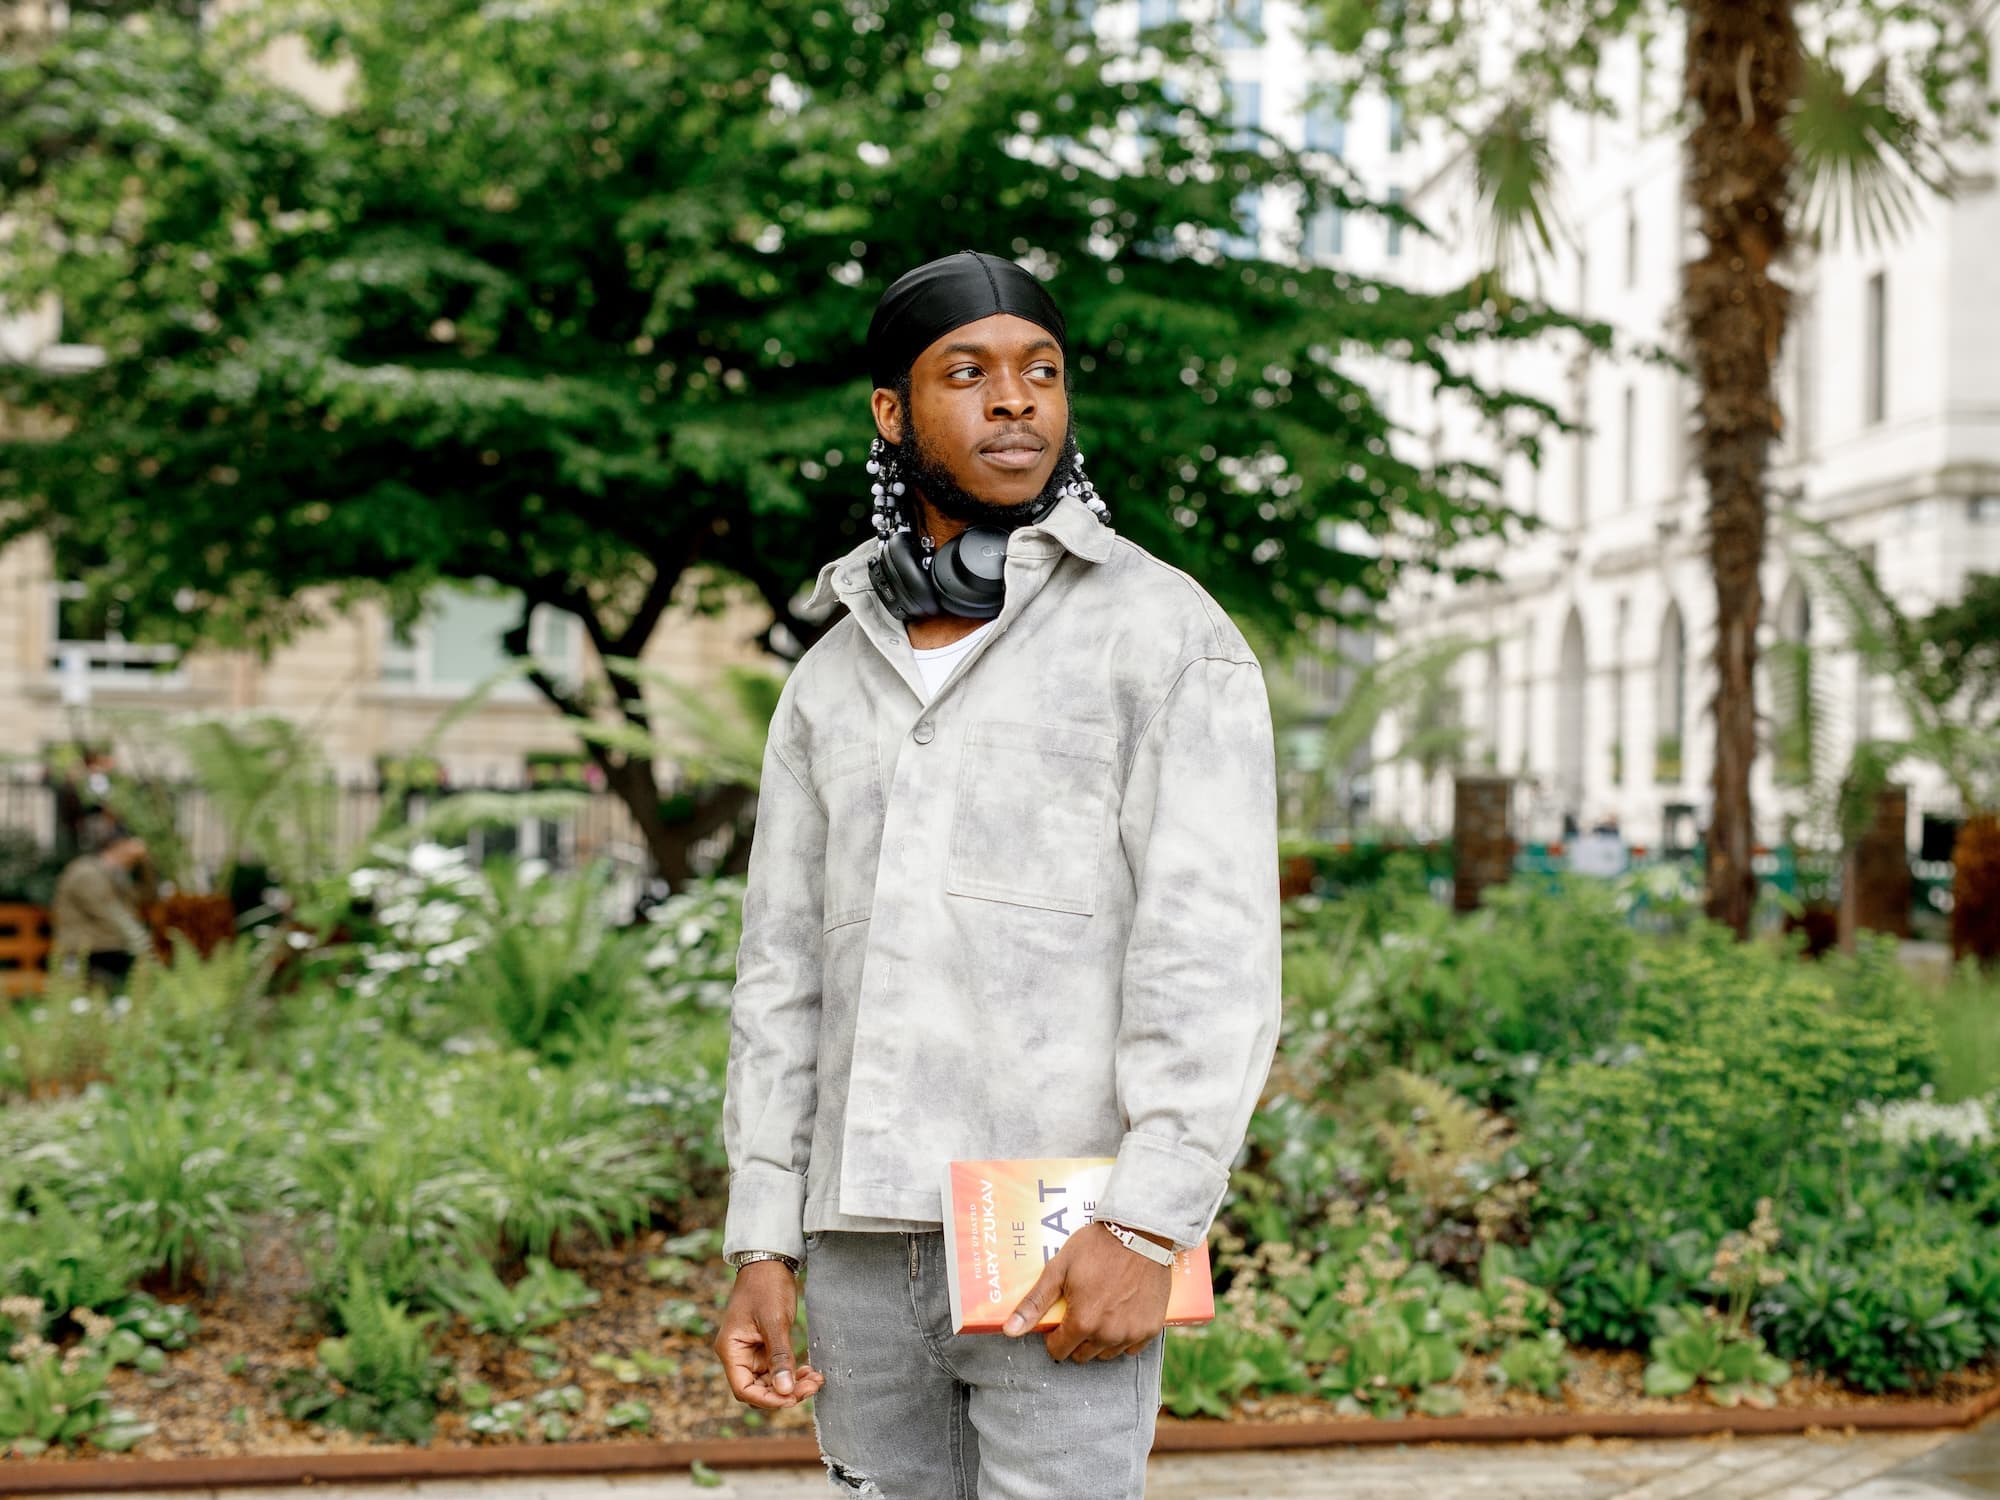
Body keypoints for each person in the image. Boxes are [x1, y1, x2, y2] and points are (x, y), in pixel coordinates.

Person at [711, 250, 1281, 1498]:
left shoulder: (1164, 636)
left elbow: (1213, 960)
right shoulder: (829, 681)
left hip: (1059, 1238)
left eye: (1040, 372)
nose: (1013, 400)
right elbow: (780, 979)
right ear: (890, 411)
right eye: (965, 373)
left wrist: (1147, 1222)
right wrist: (762, 1237)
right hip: (855, 1246)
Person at [50, 828, 153, 988]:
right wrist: (140, 940)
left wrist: (145, 862)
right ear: (117, 846)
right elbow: (107, 913)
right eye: (129, 848)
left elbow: (148, 896)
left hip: (109, 947)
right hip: (86, 950)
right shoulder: (85, 872)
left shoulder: (117, 875)